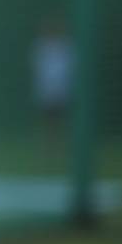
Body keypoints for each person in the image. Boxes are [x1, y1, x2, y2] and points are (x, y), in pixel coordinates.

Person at [30, 14, 73, 153]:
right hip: (47, 89)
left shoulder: (65, 46)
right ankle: (49, 146)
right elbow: (37, 68)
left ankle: (62, 145)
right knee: (48, 120)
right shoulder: (41, 47)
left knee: (61, 118)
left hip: (61, 89)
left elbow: (69, 68)